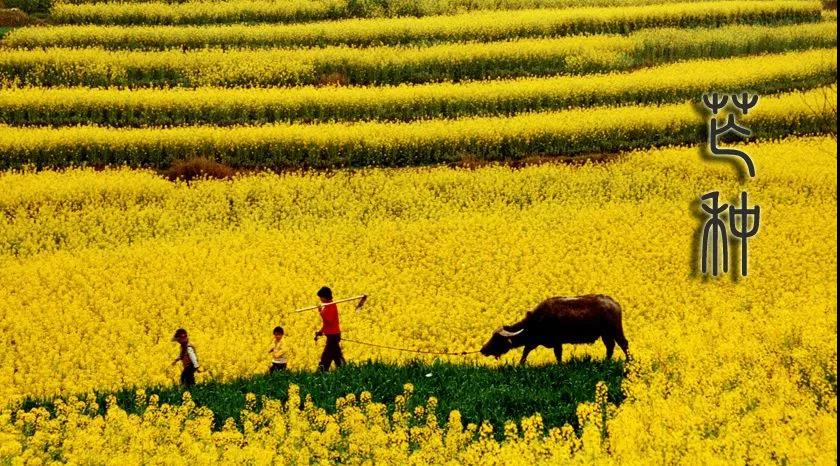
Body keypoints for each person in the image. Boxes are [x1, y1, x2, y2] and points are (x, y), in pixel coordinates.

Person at [314, 286, 344, 371]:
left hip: (333, 336)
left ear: (326, 297)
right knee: (337, 356)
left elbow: (329, 320)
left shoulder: (332, 306)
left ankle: (321, 372)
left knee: (326, 357)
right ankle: (344, 370)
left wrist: (320, 311)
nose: (320, 299)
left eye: (321, 297)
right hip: (332, 335)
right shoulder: (327, 306)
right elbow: (326, 324)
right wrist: (321, 331)